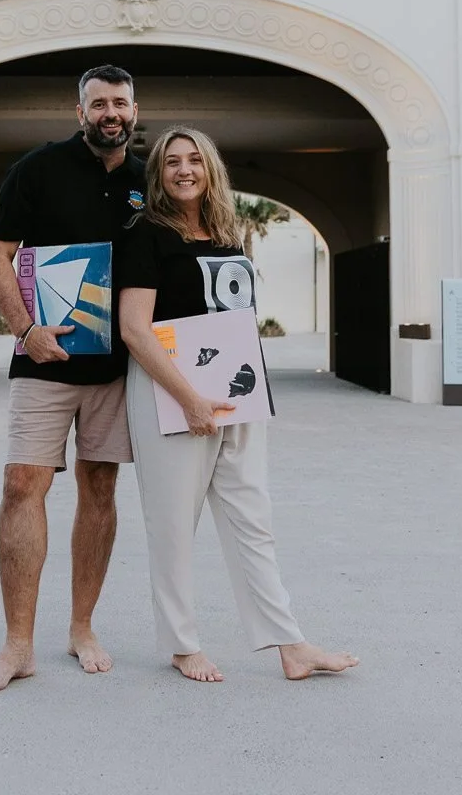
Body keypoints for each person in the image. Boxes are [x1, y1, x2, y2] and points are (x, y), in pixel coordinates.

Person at [117, 126, 359, 683]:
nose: (184, 170)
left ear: (211, 170)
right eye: (172, 161)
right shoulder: (145, 234)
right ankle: (182, 645)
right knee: (174, 524)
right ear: (157, 173)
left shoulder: (227, 234)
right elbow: (135, 329)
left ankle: (290, 645)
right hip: (170, 394)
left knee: (254, 520)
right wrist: (189, 399)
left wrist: (247, 390)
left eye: (195, 160)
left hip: (237, 395)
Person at [0, 64, 148, 696]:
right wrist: (24, 330)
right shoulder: (36, 170)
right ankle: (17, 644)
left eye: (120, 103)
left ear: (134, 110)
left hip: (119, 368)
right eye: (98, 103)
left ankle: (81, 627)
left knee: (100, 491)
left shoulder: (147, 177)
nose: (110, 113)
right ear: (80, 113)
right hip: (43, 357)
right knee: (23, 484)